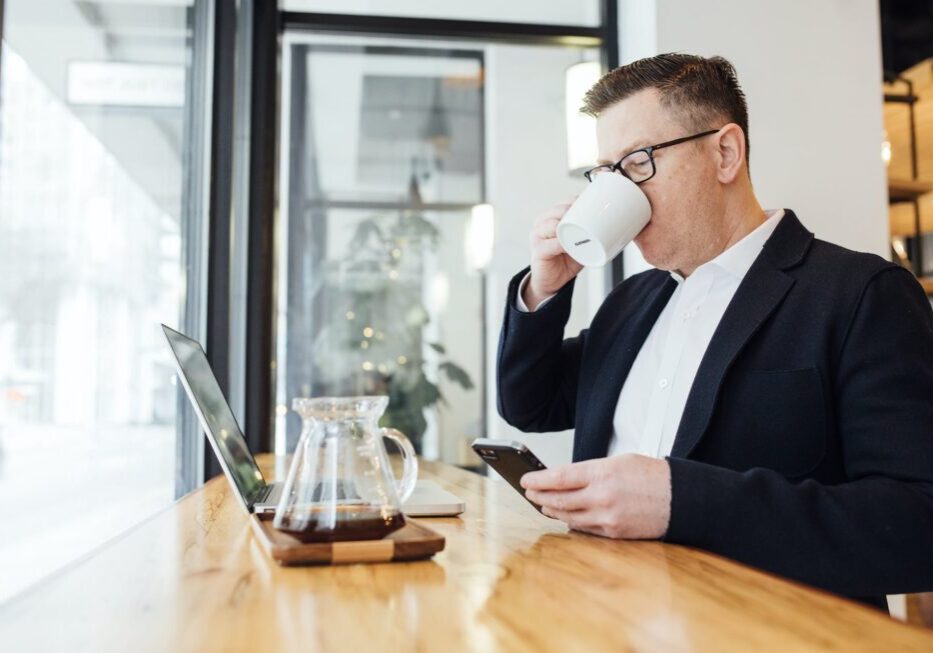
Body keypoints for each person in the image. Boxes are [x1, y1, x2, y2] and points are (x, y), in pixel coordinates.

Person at [497, 53, 933, 611]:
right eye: (606, 173)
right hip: (609, 618)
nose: (619, 193)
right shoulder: (633, 301)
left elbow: (917, 522)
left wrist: (681, 499)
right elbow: (531, 405)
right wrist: (544, 288)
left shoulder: (859, 293)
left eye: (638, 163)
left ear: (725, 153)